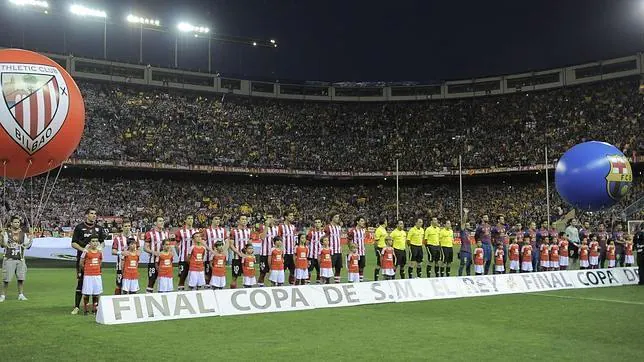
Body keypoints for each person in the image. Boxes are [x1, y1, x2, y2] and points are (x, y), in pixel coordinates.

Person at [70, 208, 107, 315]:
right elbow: (73, 243)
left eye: (95, 214)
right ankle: (77, 307)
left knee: (95, 283)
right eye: (91, 214)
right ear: (86, 215)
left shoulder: (99, 228)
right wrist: (84, 250)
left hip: (95, 261)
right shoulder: (79, 227)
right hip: (83, 260)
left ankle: (95, 307)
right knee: (80, 283)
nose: (94, 215)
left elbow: (102, 242)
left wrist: (99, 248)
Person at [0, 216, 32, 302]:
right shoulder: (6, 233)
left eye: (18, 222)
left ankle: (21, 294)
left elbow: (27, 246)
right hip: (9, 258)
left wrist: (31, 239)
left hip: (20, 259)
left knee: (21, 278)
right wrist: (2, 237)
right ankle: (3, 295)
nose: (17, 224)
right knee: (6, 279)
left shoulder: (23, 234)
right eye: (15, 222)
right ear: (11, 223)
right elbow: (3, 245)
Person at [111, 219, 137, 295]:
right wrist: (121, 252)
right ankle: (116, 301)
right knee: (119, 284)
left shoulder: (135, 238)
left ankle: (131, 302)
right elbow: (113, 251)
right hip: (120, 266)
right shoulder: (117, 238)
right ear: (122, 227)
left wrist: (135, 255)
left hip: (132, 266)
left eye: (129, 226)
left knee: (132, 285)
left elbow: (138, 249)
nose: (127, 228)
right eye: (125, 226)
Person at [144, 216, 169, 293]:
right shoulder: (149, 234)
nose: (162, 222)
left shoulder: (166, 233)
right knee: (151, 281)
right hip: (153, 261)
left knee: (163, 281)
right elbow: (145, 248)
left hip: (164, 263)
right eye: (160, 221)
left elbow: (168, 247)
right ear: (155, 223)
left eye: (163, 221)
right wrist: (154, 252)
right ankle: (148, 298)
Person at [79, 236, 102, 315]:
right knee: (87, 293)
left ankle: (95, 310)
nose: (95, 243)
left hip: (97, 275)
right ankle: (86, 310)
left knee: (96, 293)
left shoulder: (100, 252)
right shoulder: (86, 252)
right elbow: (81, 263)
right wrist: (86, 270)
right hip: (88, 275)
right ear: (89, 243)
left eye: (96, 241)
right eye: (93, 241)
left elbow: (100, 261)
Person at [175, 215, 199, 291]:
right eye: (188, 218)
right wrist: (180, 254)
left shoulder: (196, 231)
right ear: (185, 220)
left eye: (192, 218)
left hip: (194, 259)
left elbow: (199, 244)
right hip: (183, 259)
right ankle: (180, 293)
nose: (190, 220)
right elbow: (176, 245)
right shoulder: (180, 231)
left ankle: (192, 293)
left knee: (194, 277)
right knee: (182, 277)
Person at [204, 215, 227, 286]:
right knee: (208, 274)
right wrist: (212, 251)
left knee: (219, 272)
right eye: (216, 219)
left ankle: (219, 287)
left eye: (219, 219)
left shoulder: (223, 230)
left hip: (220, 257)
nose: (218, 221)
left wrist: (224, 250)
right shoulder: (207, 230)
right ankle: (207, 288)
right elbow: (203, 242)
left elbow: (227, 241)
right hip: (209, 256)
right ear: (212, 220)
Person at [229, 215, 251, 289]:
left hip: (247, 258)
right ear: (239, 221)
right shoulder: (234, 231)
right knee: (234, 277)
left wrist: (250, 254)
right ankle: (232, 292)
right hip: (237, 258)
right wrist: (239, 253)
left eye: (245, 219)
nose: (244, 221)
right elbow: (231, 245)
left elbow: (250, 244)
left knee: (248, 276)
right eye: (242, 219)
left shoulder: (249, 231)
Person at [258, 212, 279, 287]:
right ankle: (260, 287)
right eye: (268, 218)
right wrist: (266, 226)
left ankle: (273, 288)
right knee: (262, 273)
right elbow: (262, 237)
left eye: (270, 218)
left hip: (274, 254)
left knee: (274, 272)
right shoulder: (262, 227)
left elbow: (279, 241)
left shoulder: (276, 228)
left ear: (273, 219)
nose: (269, 219)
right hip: (264, 253)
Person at [278, 212, 298, 285]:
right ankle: (279, 286)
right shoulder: (281, 226)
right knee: (281, 270)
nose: (292, 217)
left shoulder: (293, 227)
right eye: (290, 215)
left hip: (292, 253)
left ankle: (291, 286)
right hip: (284, 253)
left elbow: (295, 239)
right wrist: (281, 250)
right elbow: (278, 239)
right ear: (286, 217)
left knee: (293, 271)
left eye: (292, 215)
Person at [346, 216, 367, 282]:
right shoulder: (353, 231)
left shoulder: (363, 231)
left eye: (363, 221)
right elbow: (348, 241)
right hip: (355, 254)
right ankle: (352, 281)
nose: (363, 222)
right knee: (353, 268)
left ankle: (360, 282)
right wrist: (351, 250)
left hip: (362, 252)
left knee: (361, 268)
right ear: (357, 222)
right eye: (361, 221)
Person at [325, 214, 343, 284]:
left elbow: (339, 238)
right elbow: (324, 238)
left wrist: (340, 246)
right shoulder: (328, 227)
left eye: (338, 217)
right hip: (331, 251)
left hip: (338, 251)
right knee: (329, 268)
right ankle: (327, 284)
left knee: (338, 268)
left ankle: (337, 284)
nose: (338, 218)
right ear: (332, 218)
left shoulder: (339, 227)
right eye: (336, 217)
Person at [306, 219, 325, 284]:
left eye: (319, 222)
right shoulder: (311, 233)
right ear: (314, 224)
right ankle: (307, 285)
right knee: (309, 272)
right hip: (311, 256)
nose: (317, 224)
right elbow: (306, 244)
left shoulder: (323, 234)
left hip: (320, 257)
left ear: (321, 224)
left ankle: (318, 285)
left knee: (319, 272)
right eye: (316, 222)